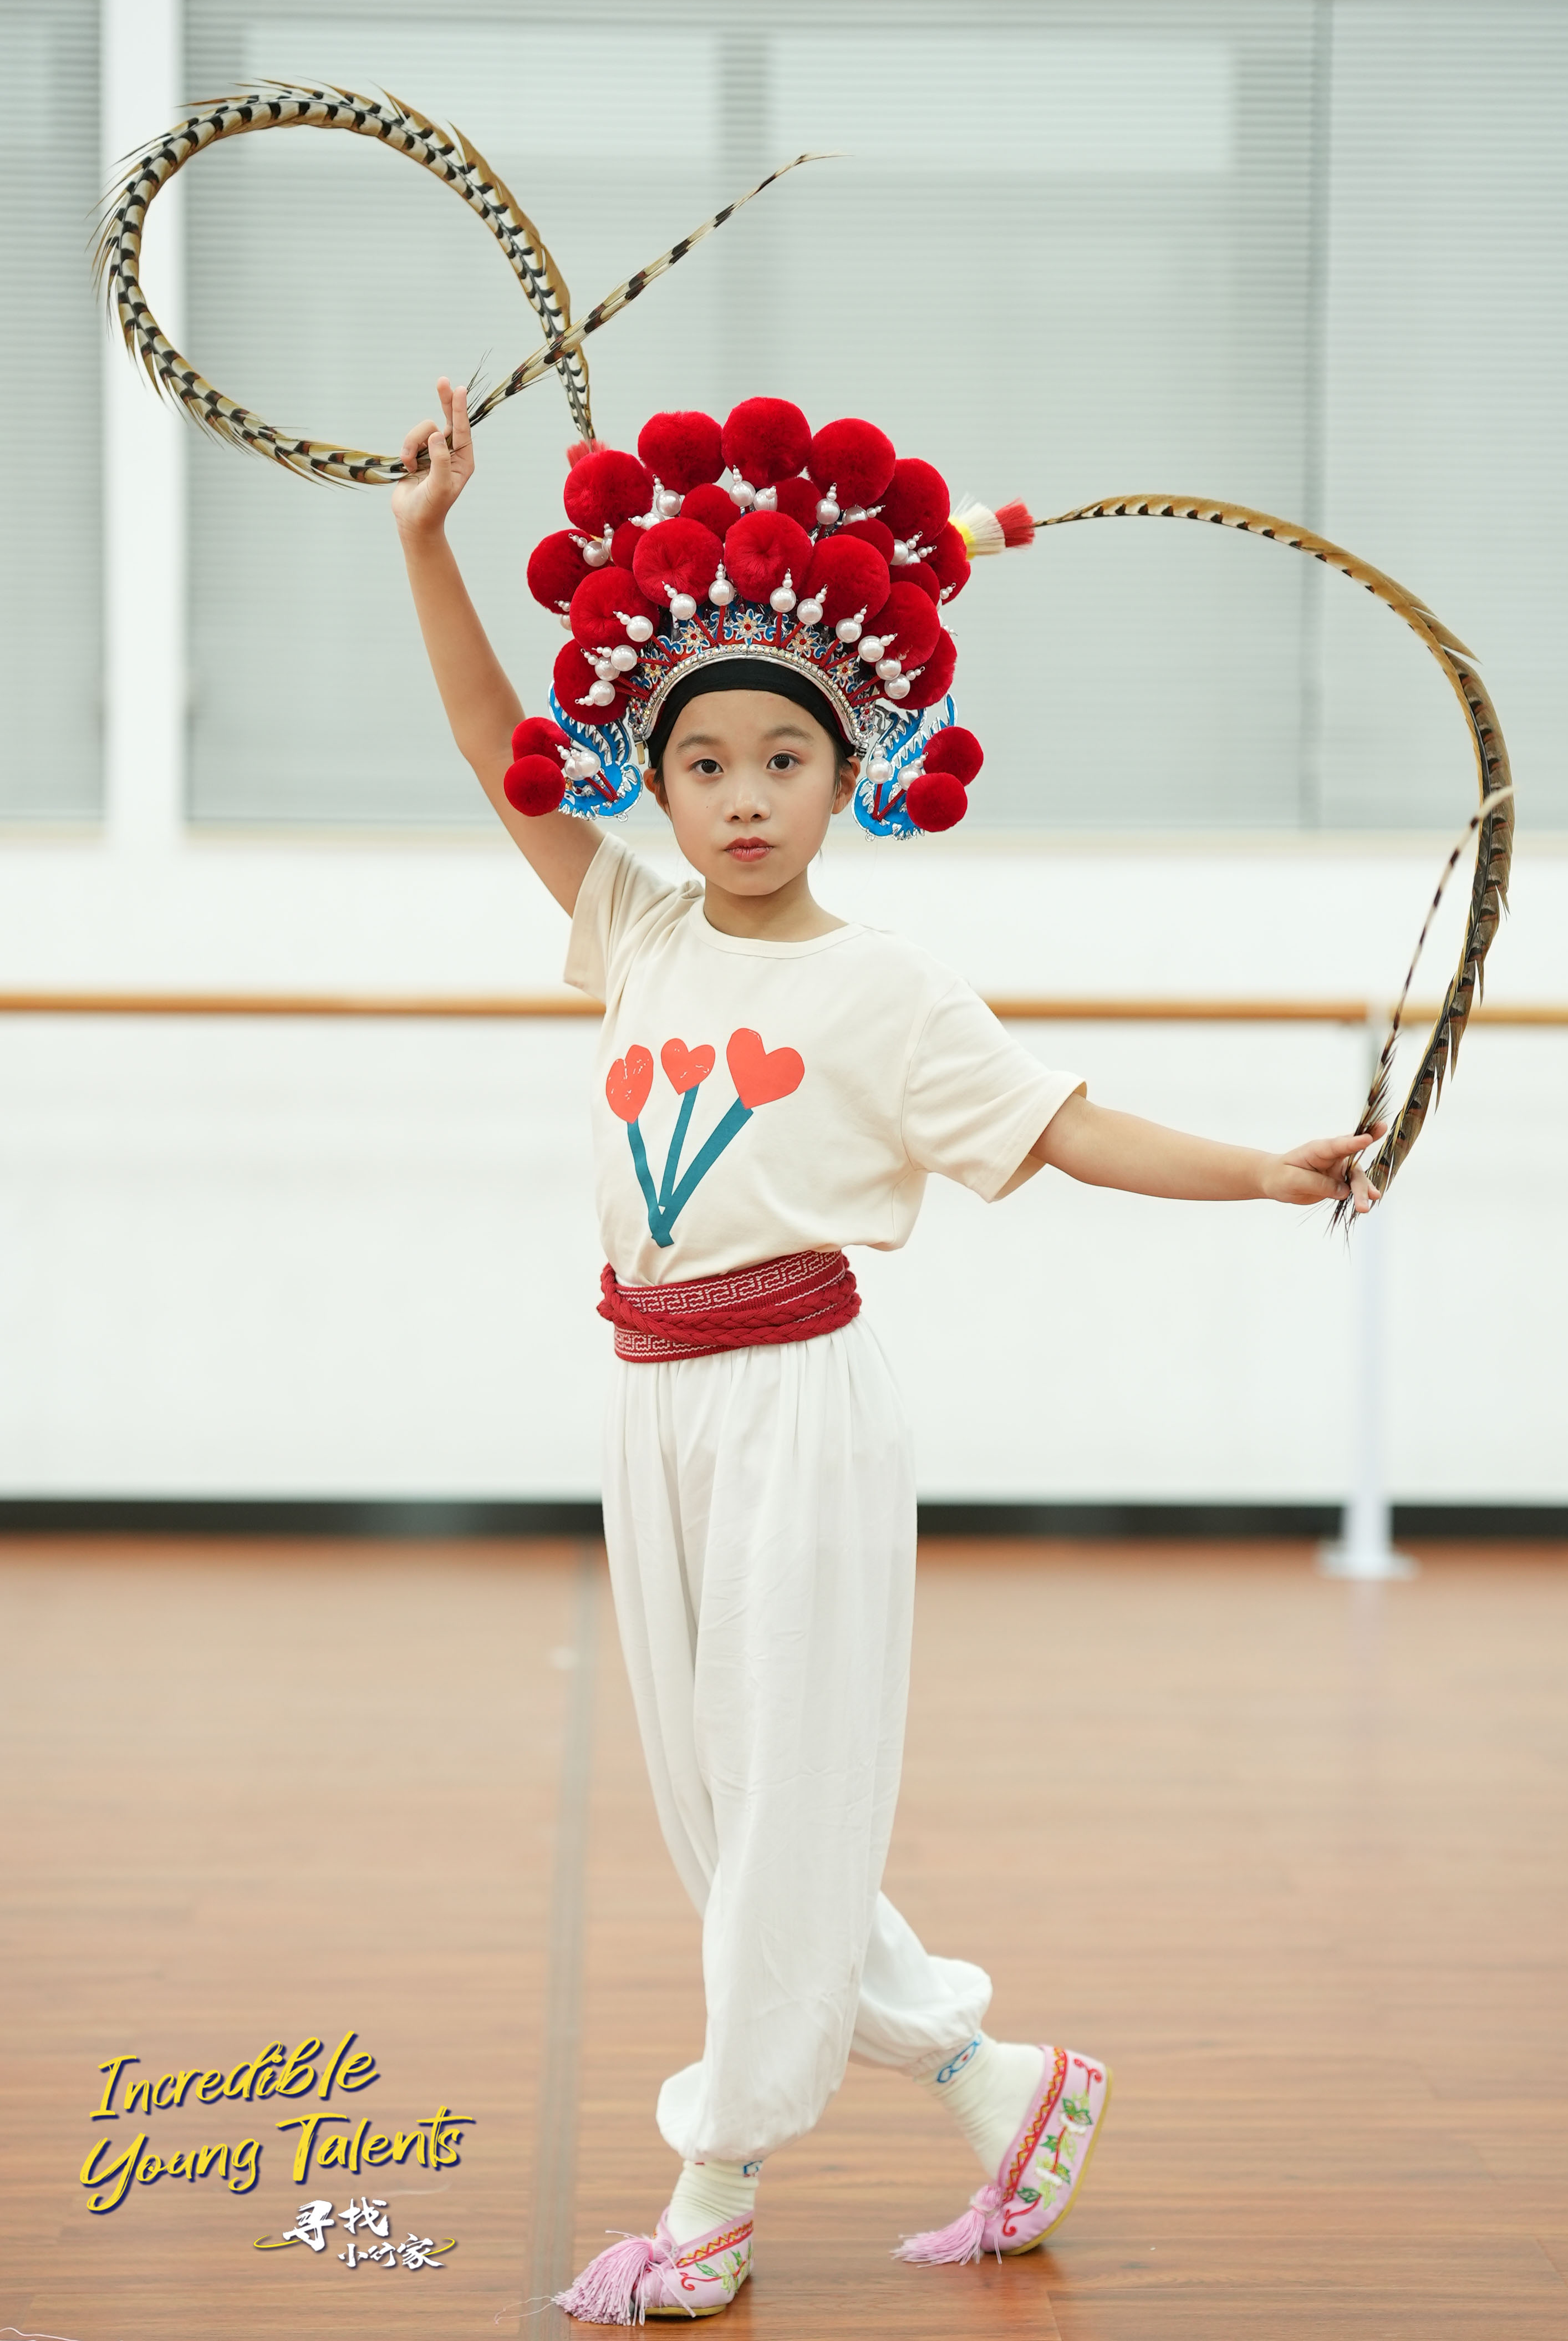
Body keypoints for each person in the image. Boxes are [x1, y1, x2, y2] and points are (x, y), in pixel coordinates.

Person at [393, 377, 1381, 2325]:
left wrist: (1262, 1170)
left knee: (777, 1812)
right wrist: (425, 543)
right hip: (647, 1402)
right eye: (706, 765)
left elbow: (1068, 1122)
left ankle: (714, 2186)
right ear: (655, 787)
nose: (744, 794)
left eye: (783, 758)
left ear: (847, 776)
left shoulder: (891, 991)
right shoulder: (638, 930)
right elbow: (493, 749)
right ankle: (998, 2082)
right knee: (728, 1817)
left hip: (795, 1413)